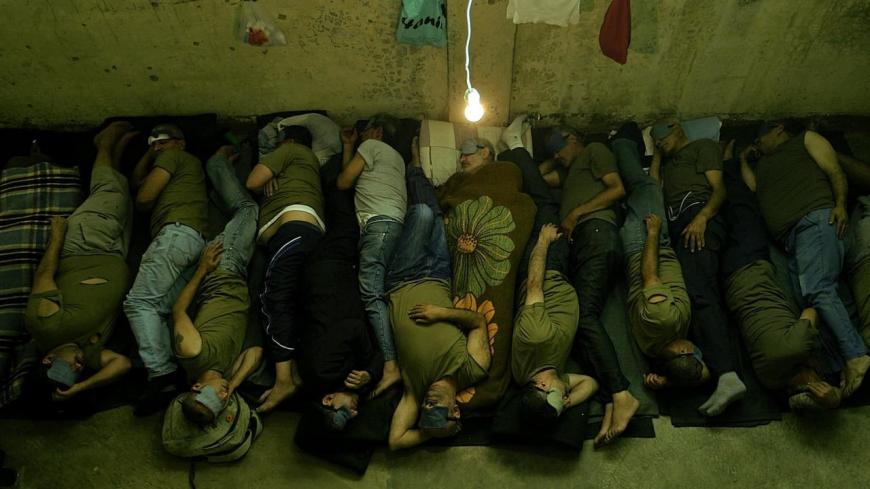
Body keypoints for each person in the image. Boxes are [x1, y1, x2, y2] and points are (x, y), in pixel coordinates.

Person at [741, 122, 870, 397]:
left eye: (759, 140)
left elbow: (834, 170)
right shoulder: (763, 165)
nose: (757, 146)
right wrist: (743, 158)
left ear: (777, 130)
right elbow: (751, 186)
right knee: (808, 303)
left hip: (816, 221)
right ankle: (838, 368)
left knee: (818, 289)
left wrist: (840, 204)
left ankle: (857, 355)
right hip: (792, 240)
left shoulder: (805, 139)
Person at [495, 117, 599, 434]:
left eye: (559, 396)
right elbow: (590, 383)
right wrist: (567, 401)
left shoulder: (535, 338)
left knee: (543, 205)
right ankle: (511, 156)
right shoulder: (545, 377)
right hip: (561, 278)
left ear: (541, 385)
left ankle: (514, 145)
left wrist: (543, 242)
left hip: (547, 268)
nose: (565, 394)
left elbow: (534, 287)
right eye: (564, 398)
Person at [720, 144, 843, 409]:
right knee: (726, 223)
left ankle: (727, 163)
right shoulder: (771, 381)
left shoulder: (796, 348)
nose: (821, 375)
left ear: (812, 384)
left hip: (751, 270)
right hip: (730, 287)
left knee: (745, 211)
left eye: (820, 380)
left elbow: (811, 312)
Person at [25, 121, 135, 403]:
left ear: (49, 358)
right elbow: (121, 364)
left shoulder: (45, 326)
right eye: (76, 372)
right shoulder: (87, 354)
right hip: (115, 253)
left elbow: (44, 276)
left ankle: (104, 144)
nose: (77, 366)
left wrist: (57, 237)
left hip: (85, 246)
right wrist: (82, 387)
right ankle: (116, 154)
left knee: (109, 192)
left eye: (68, 366)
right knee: (120, 197)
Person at [386, 158, 490, 450]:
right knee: (434, 215)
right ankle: (416, 166)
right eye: (436, 408)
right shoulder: (472, 370)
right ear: (455, 410)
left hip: (403, 279)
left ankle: (412, 167)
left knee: (422, 214)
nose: (428, 403)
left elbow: (395, 441)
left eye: (425, 410)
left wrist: (431, 432)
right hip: (440, 276)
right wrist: (440, 313)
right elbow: (478, 322)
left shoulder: (415, 391)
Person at [545, 126, 641, 438]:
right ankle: (610, 399)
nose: (556, 154)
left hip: (597, 231)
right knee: (577, 322)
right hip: (582, 243)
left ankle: (622, 394)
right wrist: (555, 157)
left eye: (559, 146)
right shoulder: (569, 172)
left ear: (573, 138)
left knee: (584, 316)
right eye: (552, 151)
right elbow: (537, 176)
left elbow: (617, 189)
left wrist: (575, 213)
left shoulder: (594, 152)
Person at [651, 119, 746, 416]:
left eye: (662, 138)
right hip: (677, 225)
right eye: (655, 142)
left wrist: (703, 218)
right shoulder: (669, 164)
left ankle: (728, 375)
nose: (659, 143)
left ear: (676, 127)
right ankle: (713, 371)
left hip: (697, 217)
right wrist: (658, 156)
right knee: (697, 294)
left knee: (702, 295)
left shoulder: (702, 147)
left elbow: (719, 189)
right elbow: (653, 185)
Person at [609, 123, 708, 392]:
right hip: (646, 249)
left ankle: (621, 141)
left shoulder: (663, 318)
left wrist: (653, 233)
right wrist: (668, 381)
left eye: (693, 353)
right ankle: (650, 156)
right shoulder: (655, 350)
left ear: (682, 351)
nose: (695, 349)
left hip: (645, 247)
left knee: (644, 187)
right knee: (649, 190)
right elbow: (702, 374)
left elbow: (649, 275)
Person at [171, 146, 264, 423]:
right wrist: (233, 384)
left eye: (215, 395)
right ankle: (219, 190)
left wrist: (202, 270)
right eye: (223, 401)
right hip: (241, 279)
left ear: (196, 387)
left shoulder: (192, 353)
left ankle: (216, 165)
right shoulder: (227, 374)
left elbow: (178, 311)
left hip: (223, 269)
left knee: (248, 210)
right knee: (245, 222)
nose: (223, 394)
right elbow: (255, 352)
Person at [125, 122, 208, 415]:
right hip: (193, 241)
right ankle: (168, 378)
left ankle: (161, 374)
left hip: (176, 235)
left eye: (163, 141)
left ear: (180, 143)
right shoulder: (181, 162)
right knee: (159, 308)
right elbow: (137, 181)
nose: (158, 147)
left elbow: (143, 197)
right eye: (153, 144)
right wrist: (151, 155)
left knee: (138, 303)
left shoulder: (175, 157)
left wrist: (158, 155)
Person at [297, 156, 384, 431]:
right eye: (352, 416)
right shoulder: (347, 382)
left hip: (328, 276)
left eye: (345, 411)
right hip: (338, 281)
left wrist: (367, 369)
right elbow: (379, 354)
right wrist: (369, 373)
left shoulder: (322, 371)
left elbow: (354, 328)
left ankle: (334, 169)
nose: (355, 411)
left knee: (346, 225)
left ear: (328, 400)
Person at [245, 125, 325, 413]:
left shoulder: (289, 150)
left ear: (287, 141)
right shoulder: (308, 163)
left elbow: (253, 181)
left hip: (292, 228)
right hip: (304, 230)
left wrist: (269, 174)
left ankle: (283, 381)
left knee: (274, 298)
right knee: (297, 299)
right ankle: (295, 371)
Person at [337, 114, 408, 398]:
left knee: (370, 293)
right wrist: (348, 147)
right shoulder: (398, 159)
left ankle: (390, 364)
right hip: (394, 225)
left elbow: (344, 181)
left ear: (377, 132)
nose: (361, 136)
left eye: (365, 131)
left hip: (378, 225)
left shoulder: (371, 147)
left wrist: (351, 148)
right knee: (381, 290)